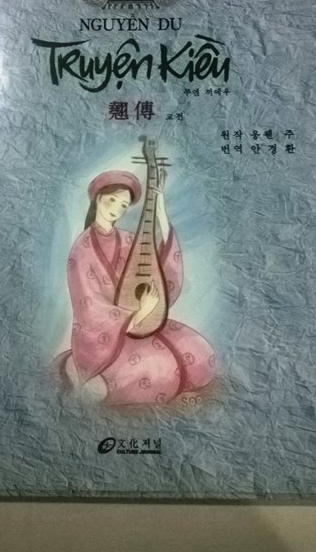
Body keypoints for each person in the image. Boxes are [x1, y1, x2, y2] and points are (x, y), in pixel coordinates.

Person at [56, 169, 217, 405]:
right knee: (158, 371)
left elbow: (160, 268)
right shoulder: (82, 249)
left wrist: (160, 212)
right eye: (112, 200)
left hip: (141, 322)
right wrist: (140, 312)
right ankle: (89, 380)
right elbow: (90, 307)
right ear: (98, 198)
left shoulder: (128, 239)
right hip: (104, 338)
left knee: (197, 354)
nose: (116, 209)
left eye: (123, 205)